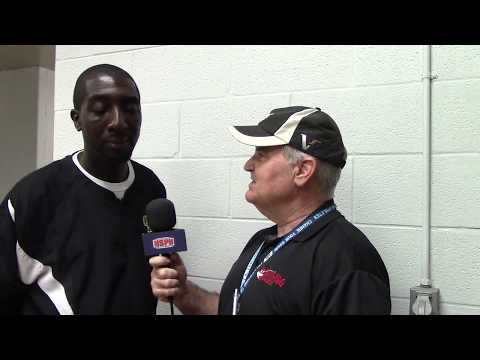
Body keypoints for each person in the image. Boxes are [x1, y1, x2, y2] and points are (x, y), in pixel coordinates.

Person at [150, 106, 391, 315]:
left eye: (261, 155)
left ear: (302, 170)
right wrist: (182, 292)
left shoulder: (348, 265)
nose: (248, 165)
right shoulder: (263, 242)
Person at [0, 64, 166, 314]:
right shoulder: (33, 197)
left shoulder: (152, 189)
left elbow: (159, 262)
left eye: (130, 109)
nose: (118, 122)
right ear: (77, 119)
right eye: (101, 109)